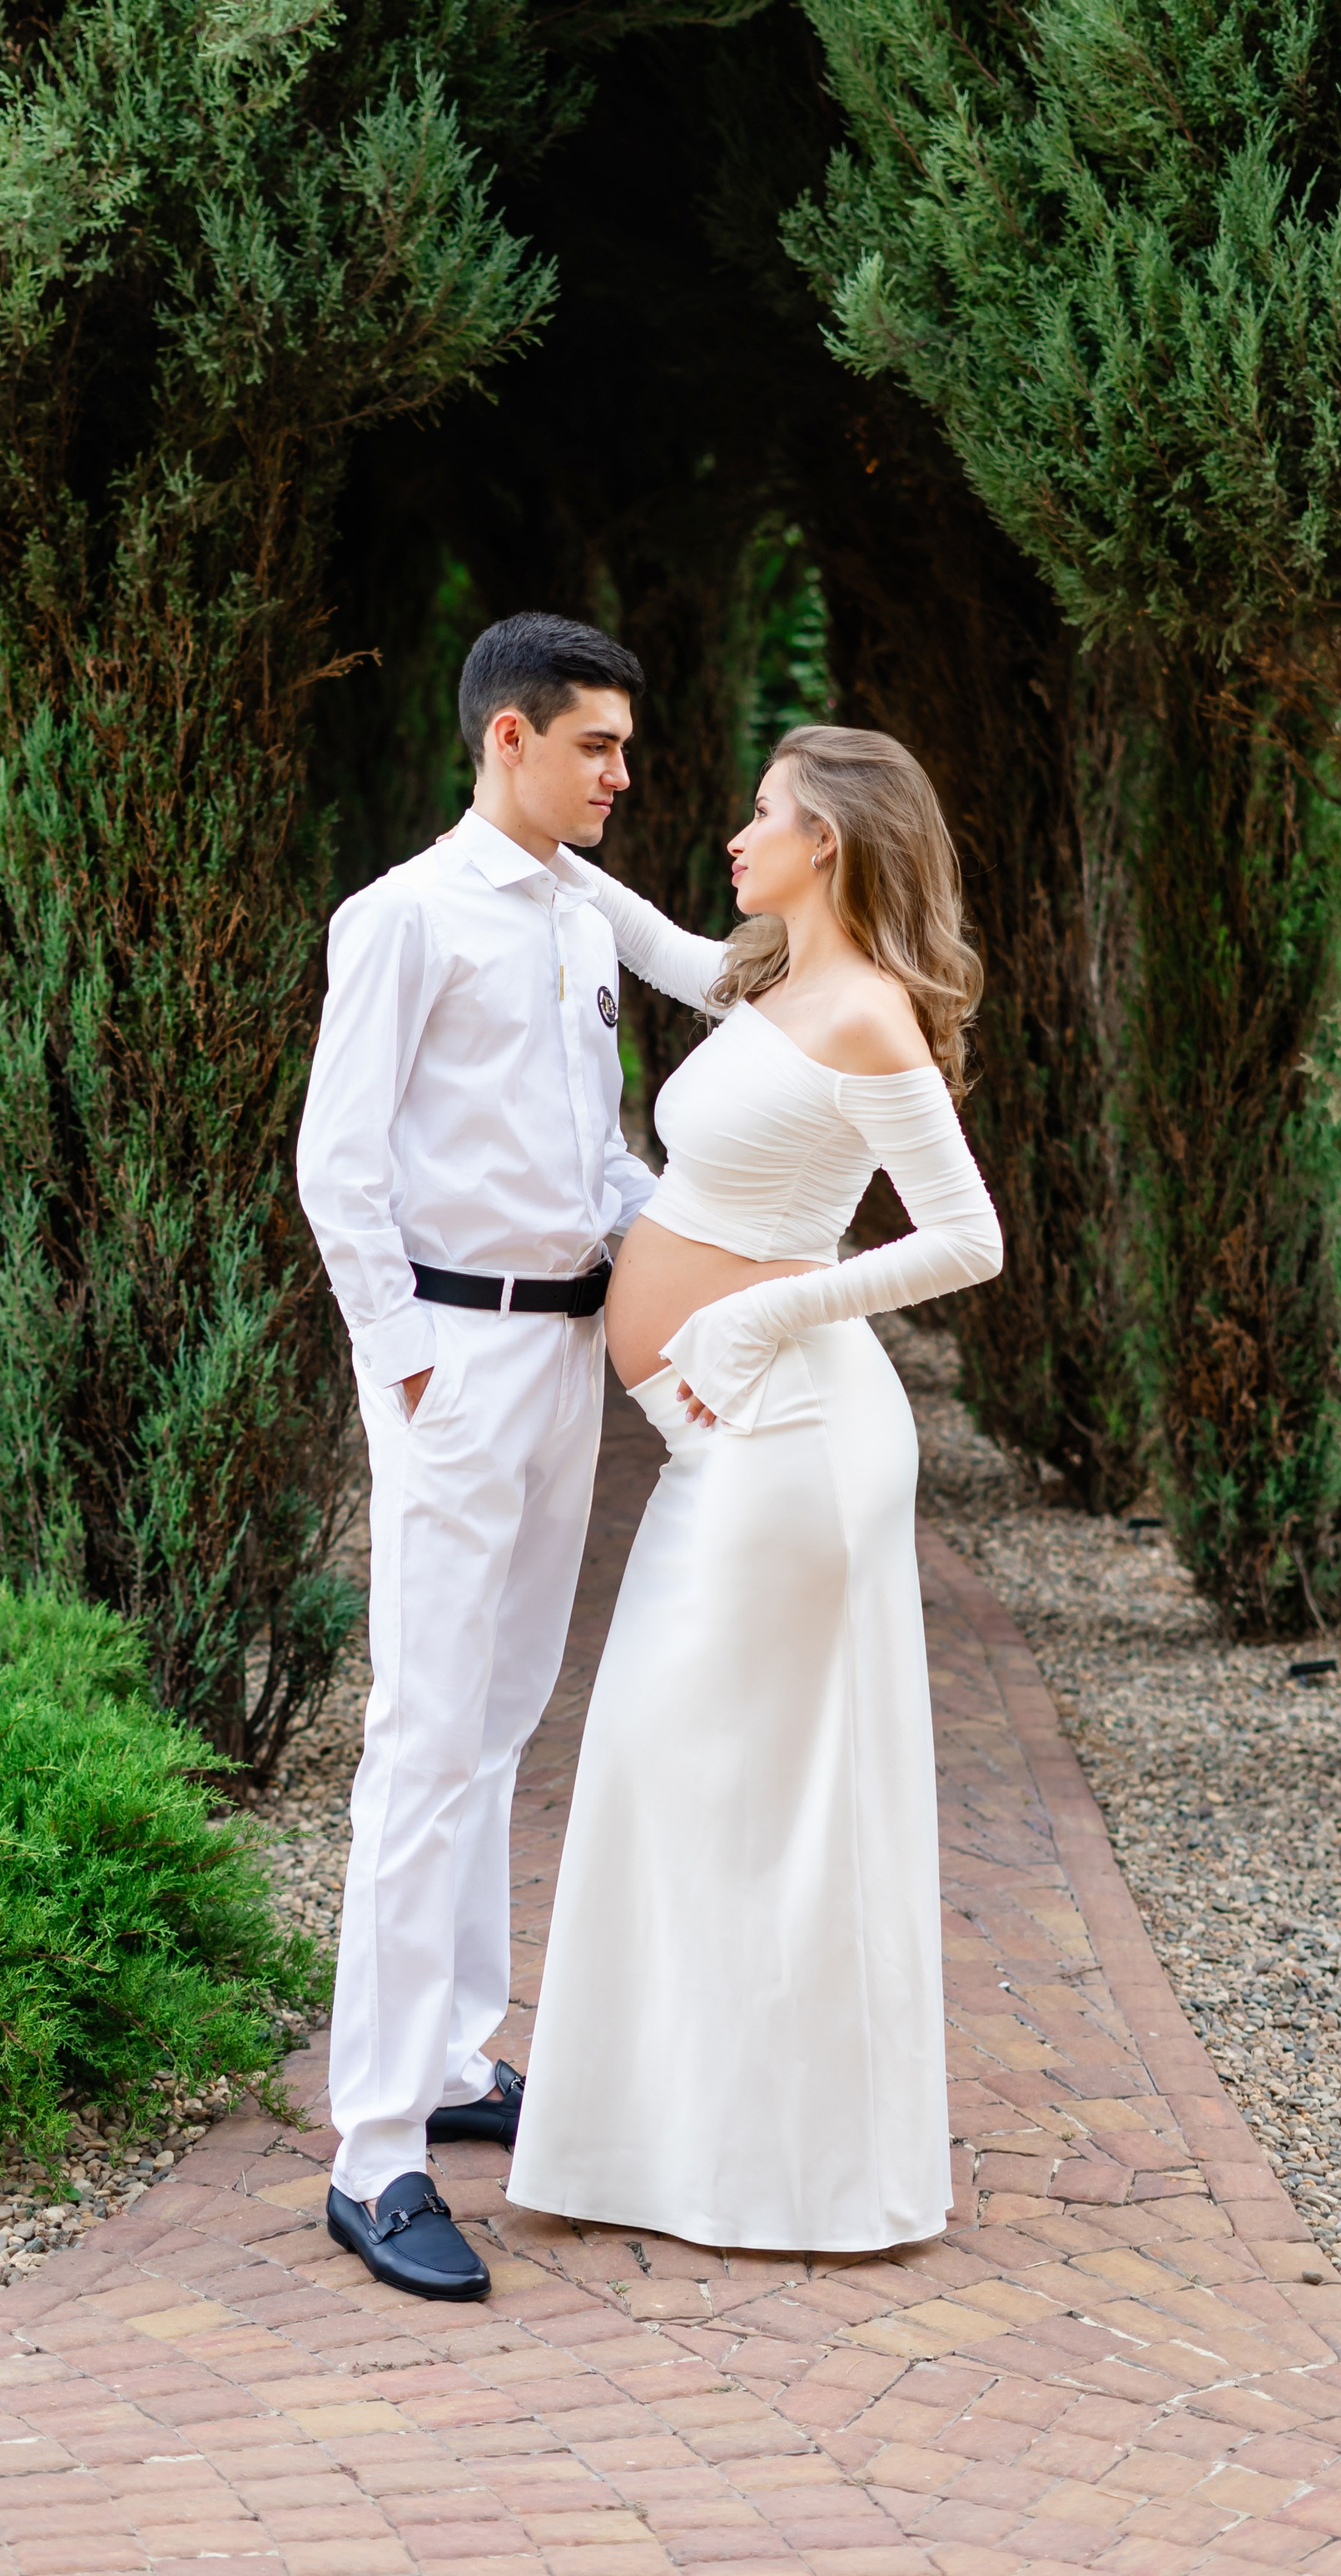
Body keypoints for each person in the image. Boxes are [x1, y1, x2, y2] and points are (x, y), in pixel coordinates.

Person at [506, 725, 1004, 2253]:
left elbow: (968, 1237)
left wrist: (773, 1305)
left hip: (797, 1432)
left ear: (831, 842)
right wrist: (515, 835)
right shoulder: (766, 976)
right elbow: (625, 921)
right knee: (690, 1779)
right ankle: (668, 2146)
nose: (735, 831)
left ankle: (786, 2174)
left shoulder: (867, 1014)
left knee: (744, 1790)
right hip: (725, 1434)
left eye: (765, 813)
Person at [296, 611, 655, 2302]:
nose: (620, 773)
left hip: (569, 1349)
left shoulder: (583, 919)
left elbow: (601, 1151)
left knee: (506, 1716)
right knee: (423, 1737)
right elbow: (336, 1165)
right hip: (456, 1359)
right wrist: (409, 1366)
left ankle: (450, 2054)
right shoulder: (401, 916)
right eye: (594, 743)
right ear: (504, 737)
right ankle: (371, 2152)